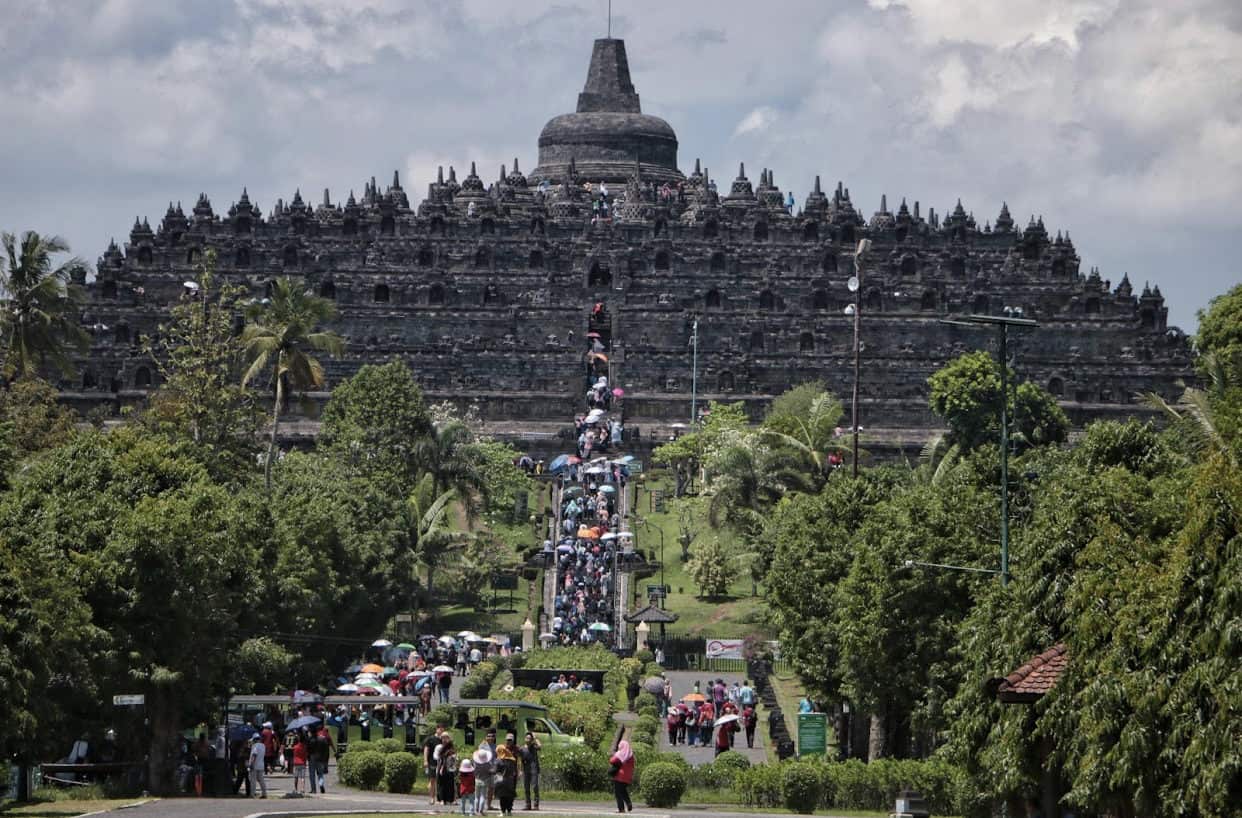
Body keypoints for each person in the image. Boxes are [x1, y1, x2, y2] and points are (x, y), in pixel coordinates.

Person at [608, 739, 635, 813]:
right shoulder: (631, 755)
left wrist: (616, 754)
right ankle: (629, 803)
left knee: (618, 793)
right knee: (623, 791)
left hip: (620, 776)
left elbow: (612, 760)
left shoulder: (621, 754)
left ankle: (621, 809)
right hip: (628, 777)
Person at [495, 735, 519, 815]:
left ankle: (503, 812)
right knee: (510, 794)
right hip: (510, 779)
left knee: (502, 796)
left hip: (501, 779)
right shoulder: (511, 760)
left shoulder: (498, 760)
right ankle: (509, 811)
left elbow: (496, 770)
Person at [520, 731, 541, 810]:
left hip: (534, 769)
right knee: (526, 787)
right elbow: (520, 760)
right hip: (526, 770)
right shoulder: (522, 748)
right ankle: (528, 804)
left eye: (530, 738)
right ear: (525, 739)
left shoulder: (534, 746)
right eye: (527, 738)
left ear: (531, 739)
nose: (528, 739)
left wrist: (535, 738)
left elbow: (540, 746)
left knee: (535, 786)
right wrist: (520, 770)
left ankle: (536, 804)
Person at [424, 725, 445, 803]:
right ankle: (432, 798)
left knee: (440, 781)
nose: (441, 731)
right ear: (436, 729)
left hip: (441, 763)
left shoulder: (443, 740)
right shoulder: (431, 739)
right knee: (432, 780)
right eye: (440, 729)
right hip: (432, 762)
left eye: (443, 730)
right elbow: (426, 750)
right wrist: (425, 760)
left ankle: (440, 798)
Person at [311, 724, 333, 794]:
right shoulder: (324, 737)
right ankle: (321, 784)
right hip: (321, 758)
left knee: (312, 774)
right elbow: (329, 744)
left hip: (312, 758)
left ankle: (313, 789)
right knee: (320, 774)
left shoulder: (312, 739)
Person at [436, 736, 458, 806]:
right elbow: (441, 760)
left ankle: (445, 800)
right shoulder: (441, 749)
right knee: (445, 785)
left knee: (446, 785)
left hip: (447, 769)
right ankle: (444, 800)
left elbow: (454, 760)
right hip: (445, 769)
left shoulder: (450, 750)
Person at [471, 745, 493, 816]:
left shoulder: (476, 763)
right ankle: (481, 810)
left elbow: (473, 771)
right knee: (483, 796)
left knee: (476, 796)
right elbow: (490, 771)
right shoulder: (487, 764)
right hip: (485, 780)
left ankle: (476, 810)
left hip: (477, 779)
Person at [247, 734, 267, 799]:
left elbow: (254, 755)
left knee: (253, 780)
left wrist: (251, 764)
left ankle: (252, 794)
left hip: (254, 765)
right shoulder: (263, 745)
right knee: (261, 780)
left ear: (254, 740)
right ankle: (264, 793)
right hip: (261, 765)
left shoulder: (255, 746)